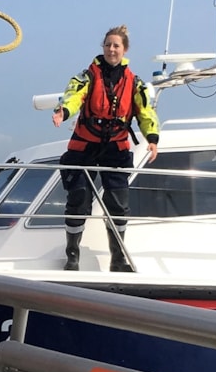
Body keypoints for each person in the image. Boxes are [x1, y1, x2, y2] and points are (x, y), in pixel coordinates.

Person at [52, 24, 159, 272]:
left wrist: (152, 139)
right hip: (84, 147)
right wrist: (63, 112)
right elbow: (73, 97)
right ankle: (72, 255)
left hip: (115, 148)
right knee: (78, 200)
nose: (112, 49)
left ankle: (118, 259)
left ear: (124, 50)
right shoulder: (86, 77)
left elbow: (146, 113)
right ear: (103, 47)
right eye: (108, 45)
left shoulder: (135, 84)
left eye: (116, 45)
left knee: (118, 205)